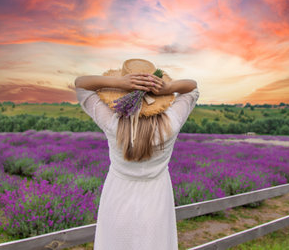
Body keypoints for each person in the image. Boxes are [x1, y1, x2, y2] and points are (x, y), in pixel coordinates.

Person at [74, 58, 199, 250]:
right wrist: (168, 87)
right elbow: (192, 88)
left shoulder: (112, 123)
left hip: (117, 199)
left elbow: (81, 85)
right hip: (157, 201)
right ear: (159, 96)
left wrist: (119, 83)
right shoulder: (171, 123)